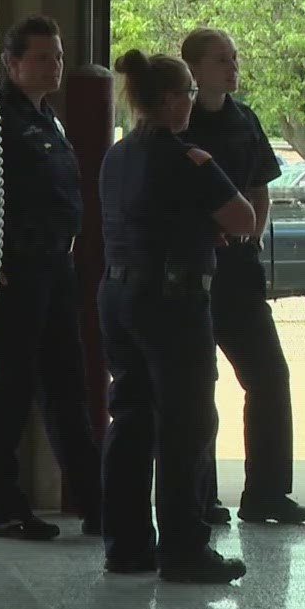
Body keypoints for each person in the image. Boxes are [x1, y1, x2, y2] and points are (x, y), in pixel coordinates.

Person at [97, 49, 253, 582]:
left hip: (118, 295)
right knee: (186, 425)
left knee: (132, 417)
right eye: (187, 92)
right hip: (172, 302)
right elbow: (244, 218)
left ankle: (126, 544)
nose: (191, 102)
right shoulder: (189, 158)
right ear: (167, 101)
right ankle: (184, 548)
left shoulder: (116, 157)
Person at [0, 15, 103, 540]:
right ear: (12, 63)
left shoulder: (49, 119)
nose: (55, 67)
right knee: (7, 392)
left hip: (54, 268)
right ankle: (2, 508)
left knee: (67, 389)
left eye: (59, 57)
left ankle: (97, 503)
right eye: (43, 58)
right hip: (14, 273)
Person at [179, 28, 305, 526]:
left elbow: (260, 188)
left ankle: (267, 494)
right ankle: (202, 498)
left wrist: (251, 234)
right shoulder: (178, 122)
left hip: (239, 273)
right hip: (190, 274)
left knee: (269, 378)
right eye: (222, 61)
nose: (233, 68)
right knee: (198, 387)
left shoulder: (244, 119)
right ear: (193, 70)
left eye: (235, 59)